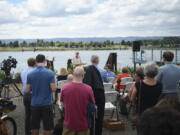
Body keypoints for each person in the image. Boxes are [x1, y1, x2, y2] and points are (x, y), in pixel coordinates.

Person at [26, 54, 57, 135]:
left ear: (36, 62)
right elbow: (53, 89)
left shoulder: (30, 74)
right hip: (46, 103)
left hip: (35, 104)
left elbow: (28, 90)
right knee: (48, 128)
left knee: (35, 128)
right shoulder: (50, 73)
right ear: (45, 61)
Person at [60, 67, 95, 135]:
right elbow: (93, 105)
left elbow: (62, 104)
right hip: (83, 124)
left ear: (73, 75)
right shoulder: (88, 89)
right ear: (83, 75)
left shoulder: (64, 88)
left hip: (69, 123)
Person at [83, 55, 105, 135]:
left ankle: (91, 132)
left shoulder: (86, 69)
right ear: (98, 61)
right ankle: (98, 132)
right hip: (101, 93)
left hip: (91, 93)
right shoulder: (103, 71)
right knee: (100, 116)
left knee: (90, 115)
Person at [21, 58, 36, 135]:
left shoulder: (23, 71)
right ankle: (33, 132)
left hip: (25, 95)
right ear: (35, 63)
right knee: (34, 115)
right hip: (32, 94)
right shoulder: (34, 72)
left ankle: (27, 132)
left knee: (27, 115)